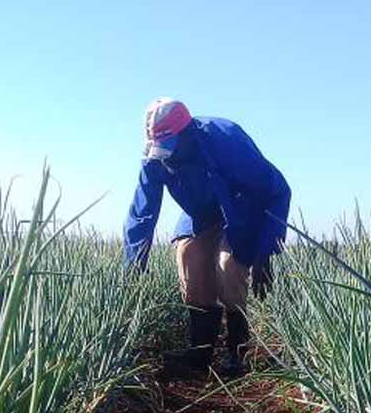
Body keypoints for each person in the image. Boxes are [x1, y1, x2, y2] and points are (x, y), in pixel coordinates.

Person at [123, 98, 291, 376]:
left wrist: (266, 251)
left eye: (170, 146)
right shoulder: (156, 157)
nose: (166, 155)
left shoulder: (225, 139)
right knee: (188, 258)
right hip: (200, 211)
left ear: (187, 133)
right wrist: (134, 264)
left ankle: (237, 353)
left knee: (229, 266)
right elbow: (142, 212)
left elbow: (277, 190)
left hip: (241, 207)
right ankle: (200, 356)